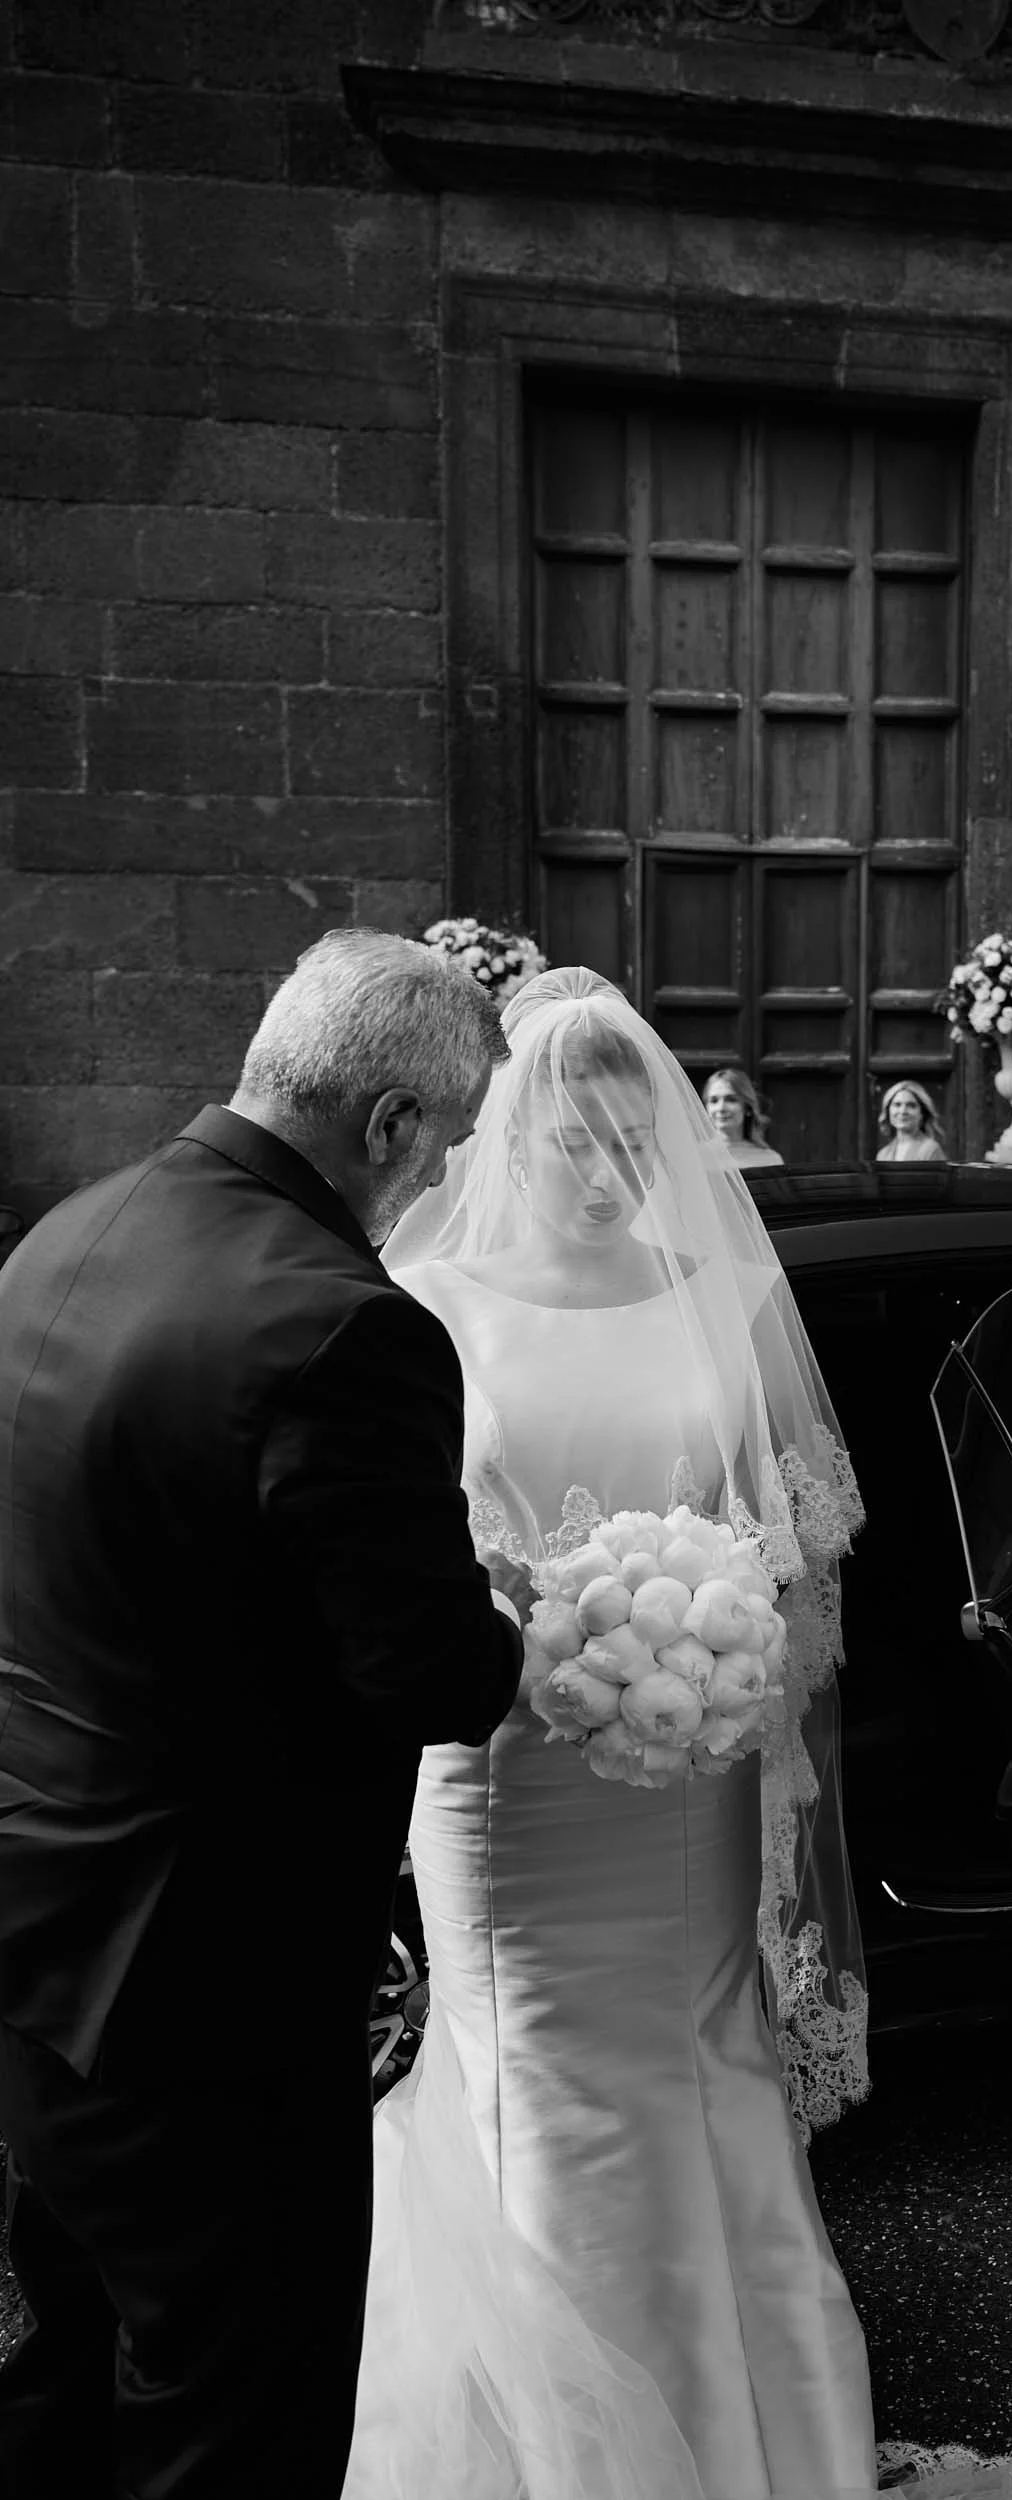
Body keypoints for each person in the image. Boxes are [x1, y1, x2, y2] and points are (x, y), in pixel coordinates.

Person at [0, 929, 529, 2500]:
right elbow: (429, 1677)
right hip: (207, 1988)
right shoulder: (346, 1324)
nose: (441, 1187)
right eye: (447, 1149)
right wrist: (499, 1609)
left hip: (41, 1931)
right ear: (387, 1127)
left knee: (75, 2359)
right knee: (238, 2405)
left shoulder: (63, 1237)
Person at [345, 969, 875, 2500]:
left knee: (706, 2048)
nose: (599, 1172)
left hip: (689, 1753)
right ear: (512, 1131)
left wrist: (737, 1648)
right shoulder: (428, 1302)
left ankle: (744, 2434)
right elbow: (396, 1541)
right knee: (538, 2062)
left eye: (627, 1145)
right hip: (503, 1770)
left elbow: (793, 1540)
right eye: (570, 1140)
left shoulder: (720, 1295)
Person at [704, 1064, 785, 1168]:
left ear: (747, 1108)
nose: (721, 1108)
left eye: (731, 1099)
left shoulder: (771, 1159)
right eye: (714, 1101)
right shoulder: (692, 1156)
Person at [876, 1079, 949, 1163]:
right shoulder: (882, 1154)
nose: (903, 1111)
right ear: (888, 1111)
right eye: (897, 1104)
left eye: (911, 1105)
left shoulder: (931, 1150)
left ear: (922, 1113)